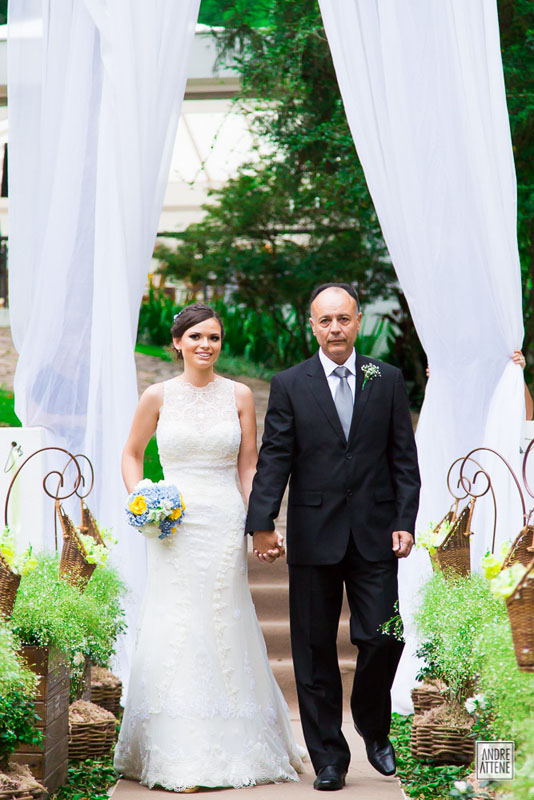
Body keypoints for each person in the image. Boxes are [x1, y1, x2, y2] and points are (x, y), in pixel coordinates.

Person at [114, 303, 303, 793]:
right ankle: (174, 746)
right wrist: (143, 499)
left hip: (222, 520)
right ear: (176, 342)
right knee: (175, 620)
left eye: (214, 337)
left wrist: (261, 523)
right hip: (172, 524)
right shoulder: (156, 395)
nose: (205, 345)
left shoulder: (239, 395)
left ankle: (236, 742)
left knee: (222, 617)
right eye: (196, 336)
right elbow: (132, 455)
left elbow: (248, 465)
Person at [246, 283, 421, 792]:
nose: (335, 329)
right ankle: (328, 758)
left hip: (376, 534)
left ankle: (372, 723)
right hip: (313, 532)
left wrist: (404, 520)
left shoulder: (384, 379)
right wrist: (262, 521)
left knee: (384, 636)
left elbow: (403, 460)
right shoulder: (289, 383)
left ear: (358, 321)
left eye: (343, 319)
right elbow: (276, 455)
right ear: (312, 324)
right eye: (325, 320)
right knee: (313, 647)